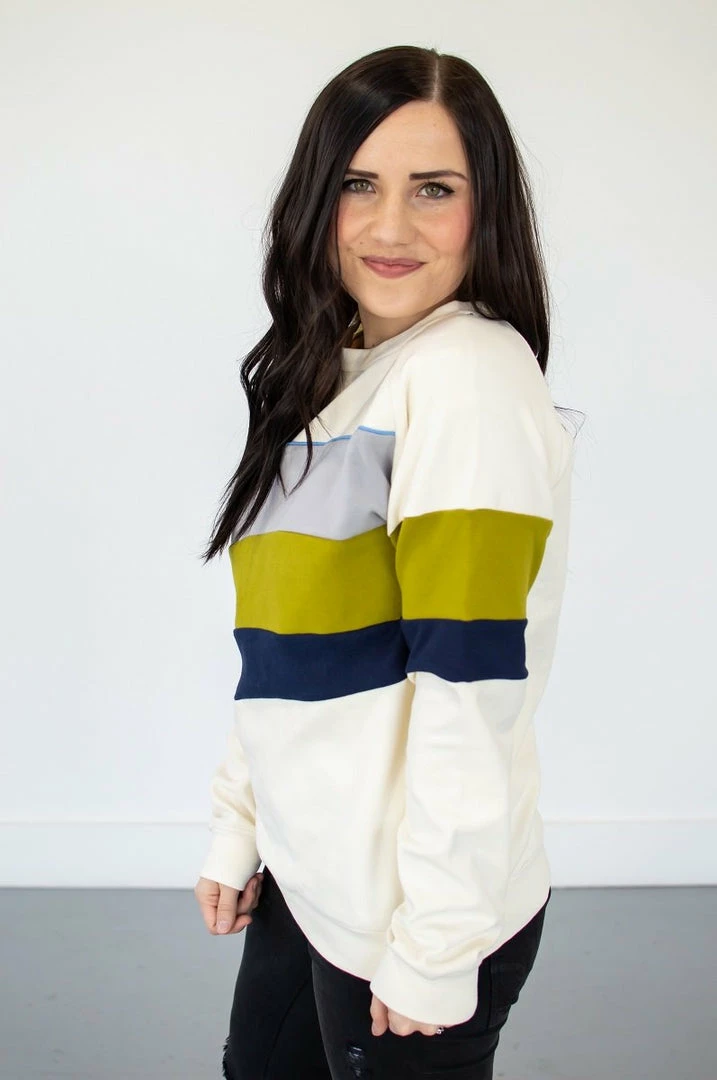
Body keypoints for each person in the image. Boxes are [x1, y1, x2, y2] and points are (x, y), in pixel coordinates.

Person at [193, 43, 581, 1080]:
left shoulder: (464, 378)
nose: (390, 226)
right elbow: (279, 653)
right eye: (358, 184)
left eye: (433, 189)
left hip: (406, 916)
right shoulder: (332, 378)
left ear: (485, 209)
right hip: (313, 883)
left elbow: (469, 690)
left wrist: (438, 946)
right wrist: (242, 826)